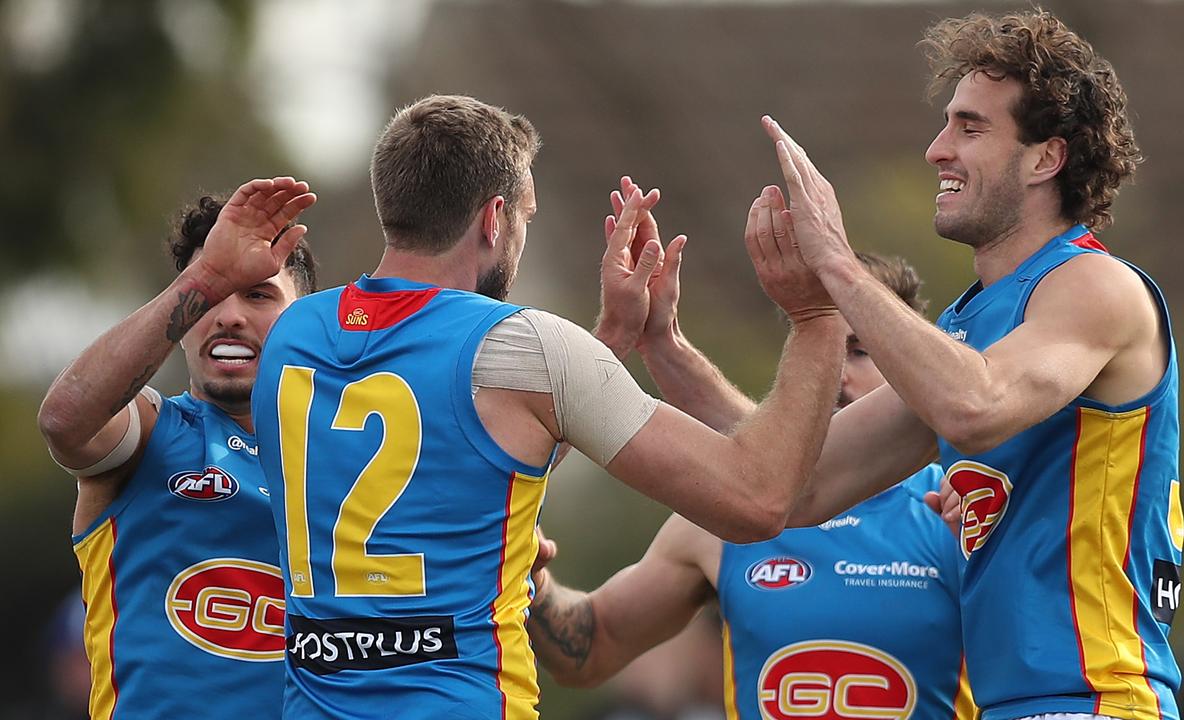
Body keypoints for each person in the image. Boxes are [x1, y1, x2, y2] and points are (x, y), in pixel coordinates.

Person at [599, 9, 1181, 720]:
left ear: (1044, 158)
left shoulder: (1095, 286)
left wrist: (838, 270)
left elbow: (977, 407)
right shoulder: (969, 328)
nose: (937, 149)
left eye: (970, 127)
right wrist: (638, 359)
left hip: (1096, 702)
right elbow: (803, 482)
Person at [249, 95, 847, 719]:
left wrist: (611, 340)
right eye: (526, 216)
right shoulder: (525, 345)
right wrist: (816, 314)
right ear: (494, 219)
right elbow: (757, 498)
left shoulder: (294, 335)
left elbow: (466, 452)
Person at [532, 229, 976, 719]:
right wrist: (529, 574)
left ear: (909, 365)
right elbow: (591, 649)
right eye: (819, 346)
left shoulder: (962, 509)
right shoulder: (724, 519)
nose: (834, 375)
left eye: (859, 350)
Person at [37, 177, 317, 719]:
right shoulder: (149, 433)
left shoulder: (351, 462)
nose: (229, 314)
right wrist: (206, 275)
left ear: (304, 320)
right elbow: (64, 421)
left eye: (258, 293)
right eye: (211, 296)